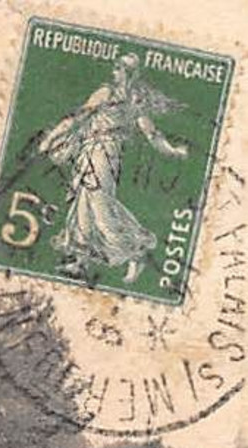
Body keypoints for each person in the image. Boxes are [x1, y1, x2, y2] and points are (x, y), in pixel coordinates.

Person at [37, 52, 189, 284]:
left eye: (119, 68)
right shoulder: (108, 93)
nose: (114, 72)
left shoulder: (129, 99)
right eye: (115, 68)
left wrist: (172, 150)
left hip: (104, 155)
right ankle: (79, 262)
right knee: (84, 204)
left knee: (100, 205)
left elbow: (151, 133)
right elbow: (78, 118)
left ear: (128, 73)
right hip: (93, 152)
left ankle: (136, 252)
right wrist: (53, 136)